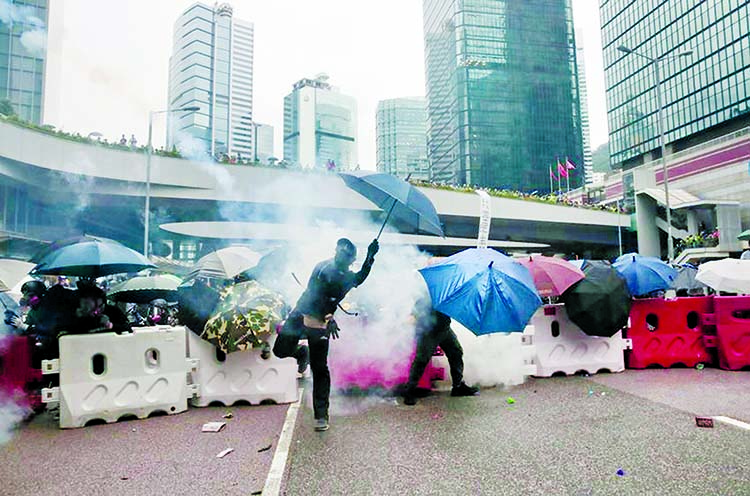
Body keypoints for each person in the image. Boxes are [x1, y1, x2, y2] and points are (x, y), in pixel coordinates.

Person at [273, 238, 379, 432]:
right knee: (279, 350)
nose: (339, 257)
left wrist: (370, 257)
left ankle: (321, 415)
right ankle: (300, 353)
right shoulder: (322, 268)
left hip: (321, 322)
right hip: (302, 313)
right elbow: (317, 296)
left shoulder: (347, 276)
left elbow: (360, 277)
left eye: (345, 256)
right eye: (338, 252)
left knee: (320, 368)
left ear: (350, 261)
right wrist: (329, 317)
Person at [402, 297, 479, 406]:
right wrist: (414, 318)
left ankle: (458, 387)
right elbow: (414, 315)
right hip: (429, 332)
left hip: (444, 329)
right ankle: (409, 391)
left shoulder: (449, 293)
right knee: (421, 360)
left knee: (456, 352)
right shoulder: (425, 296)